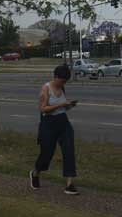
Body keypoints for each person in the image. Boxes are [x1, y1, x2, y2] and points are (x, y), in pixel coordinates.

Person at [31, 63, 79, 195]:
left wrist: (69, 105)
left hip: (63, 123)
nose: (63, 83)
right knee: (47, 154)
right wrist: (61, 104)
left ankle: (69, 184)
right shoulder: (46, 89)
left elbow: (63, 107)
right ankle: (36, 172)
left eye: (65, 82)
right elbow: (43, 109)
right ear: (55, 77)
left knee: (69, 152)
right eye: (62, 81)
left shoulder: (62, 88)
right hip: (49, 124)